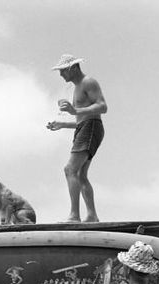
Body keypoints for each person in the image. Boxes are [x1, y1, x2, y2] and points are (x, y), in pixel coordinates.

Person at [47, 54, 107, 223]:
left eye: (63, 71)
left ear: (73, 68)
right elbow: (81, 118)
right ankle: (92, 216)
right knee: (80, 174)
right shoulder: (77, 87)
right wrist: (62, 124)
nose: (61, 75)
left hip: (91, 127)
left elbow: (102, 107)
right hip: (87, 127)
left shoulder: (88, 82)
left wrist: (74, 111)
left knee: (70, 170)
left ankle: (74, 215)